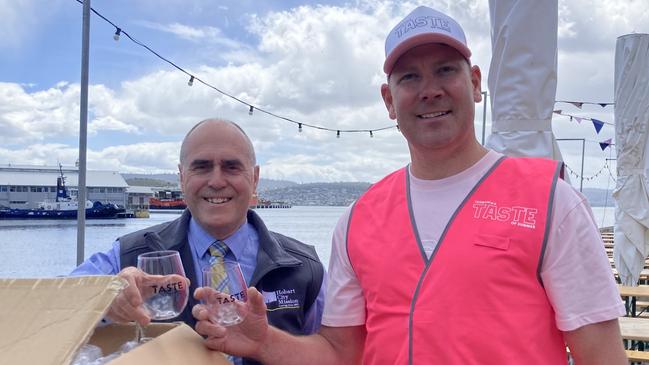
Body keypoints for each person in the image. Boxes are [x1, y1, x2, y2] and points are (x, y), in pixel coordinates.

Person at [191, 5, 628, 365]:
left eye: (445, 70)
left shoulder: (551, 201)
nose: (430, 90)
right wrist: (265, 342)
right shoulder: (359, 219)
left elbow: (601, 354)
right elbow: (341, 353)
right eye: (410, 78)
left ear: (475, 84)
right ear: (388, 100)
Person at [72, 118, 326, 365]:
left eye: (231, 167)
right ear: (182, 177)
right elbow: (51, 309)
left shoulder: (304, 269)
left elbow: (333, 352)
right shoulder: (129, 255)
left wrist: (269, 345)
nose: (216, 181)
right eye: (202, 167)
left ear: (255, 178)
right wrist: (107, 297)